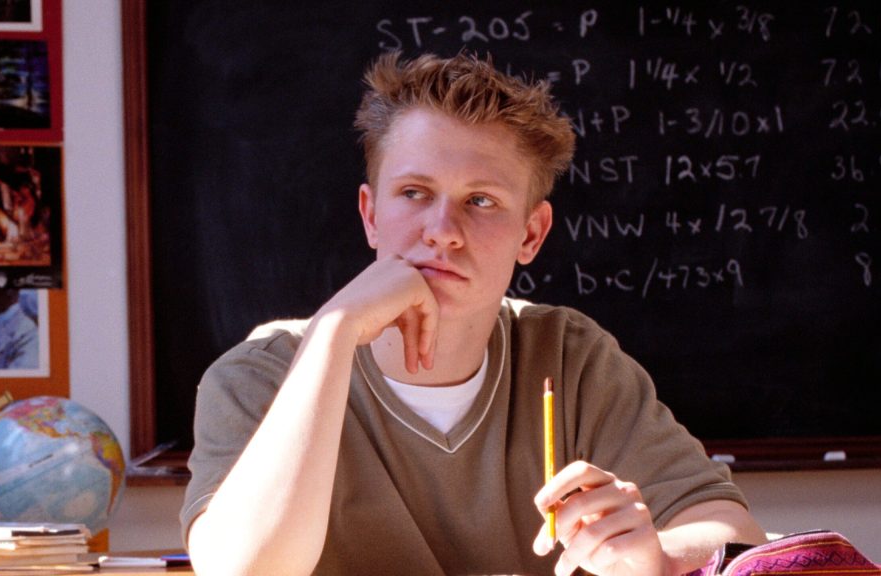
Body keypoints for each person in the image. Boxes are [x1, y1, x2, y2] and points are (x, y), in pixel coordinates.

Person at [182, 52, 767, 576]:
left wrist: (658, 559)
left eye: (480, 202)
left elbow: (736, 537)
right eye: (414, 193)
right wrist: (335, 332)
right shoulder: (255, 378)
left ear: (531, 234)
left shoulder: (571, 357)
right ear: (370, 215)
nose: (442, 233)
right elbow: (243, 571)